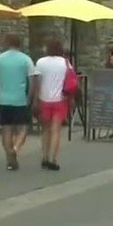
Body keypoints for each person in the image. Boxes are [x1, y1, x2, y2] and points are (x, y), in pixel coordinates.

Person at [0, 34, 37, 170]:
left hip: (3, 99)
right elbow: (32, 82)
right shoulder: (26, 60)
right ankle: (15, 148)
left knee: (6, 128)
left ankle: (9, 156)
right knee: (23, 128)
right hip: (20, 99)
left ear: (7, 43)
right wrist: (29, 98)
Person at [34, 38, 70, 170]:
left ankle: (44, 157)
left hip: (44, 99)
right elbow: (71, 80)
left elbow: (37, 81)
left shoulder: (40, 62)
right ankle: (53, 159)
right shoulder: (65, 63)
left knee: (45, 131)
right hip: (59, 100)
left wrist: (36, 98)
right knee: (56, 131)